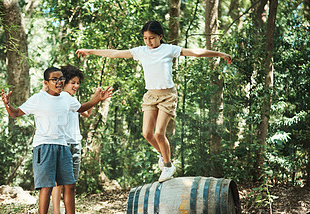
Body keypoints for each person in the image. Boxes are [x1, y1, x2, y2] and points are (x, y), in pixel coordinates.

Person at [76, 20, 232, 183]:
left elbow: (195, 52)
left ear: (160, 36)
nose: (148, 41)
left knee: (159, 133)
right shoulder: (141, 51)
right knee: (147, 133)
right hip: (150, 96)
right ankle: (163, 155)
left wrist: (219, 54)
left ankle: (168, 164)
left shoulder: (169, 49)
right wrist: (90, 51)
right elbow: (115, 53)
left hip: (167, 96)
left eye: (152, 38)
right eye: (145, 38)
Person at [0, 67, 112, 214]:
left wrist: (98, 99)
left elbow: (83, 108)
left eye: (61, 79)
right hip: (44, 146)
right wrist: (7, 104)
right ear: (46, 83)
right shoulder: (38, 99)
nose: (59, 82)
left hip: (63, 146)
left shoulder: (67, 99)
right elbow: (15, 113)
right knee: (46, 186)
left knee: (70, 185)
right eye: (54, 79)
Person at [50, 65, 98, 214]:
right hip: (62, 144)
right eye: (73, 83)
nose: (76, 86)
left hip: (75, 143)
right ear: (63, 82)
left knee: (71, 183)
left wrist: (95, 98)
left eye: (78, 83)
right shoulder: (60, 97)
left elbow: (86, 113)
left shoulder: (72, 99)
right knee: (59, 182)